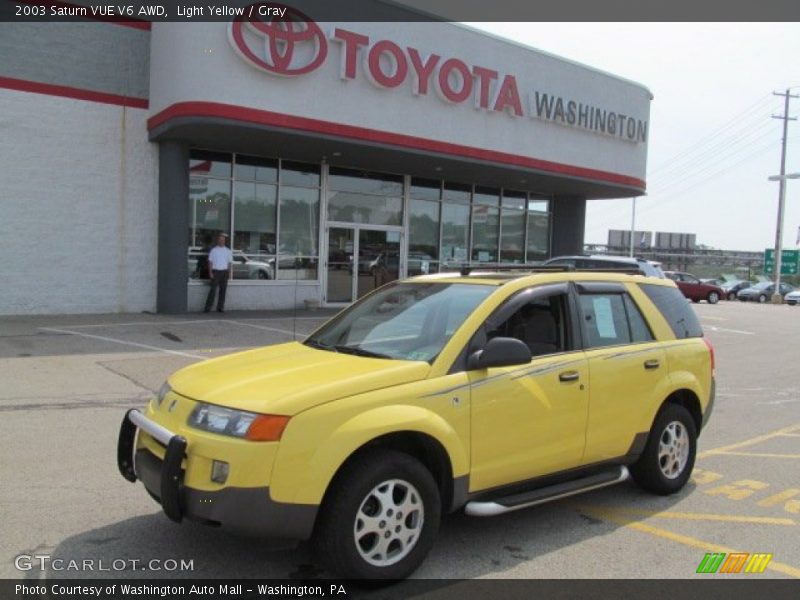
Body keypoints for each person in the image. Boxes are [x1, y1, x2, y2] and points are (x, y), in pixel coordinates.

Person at [204, 233, 233, 313]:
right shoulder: (214, 250)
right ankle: (208, 307)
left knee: (223, 290)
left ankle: (220, 307)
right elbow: (210, 262)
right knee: (212, 290)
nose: (221, 241)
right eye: (220, 240)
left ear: (224, 241)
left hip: (224, 272)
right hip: (215, 271)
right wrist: (210, 272)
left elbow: (229, 263)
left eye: (223, 240)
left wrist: (230, 273)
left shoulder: (228, 251)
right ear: (218, 241)